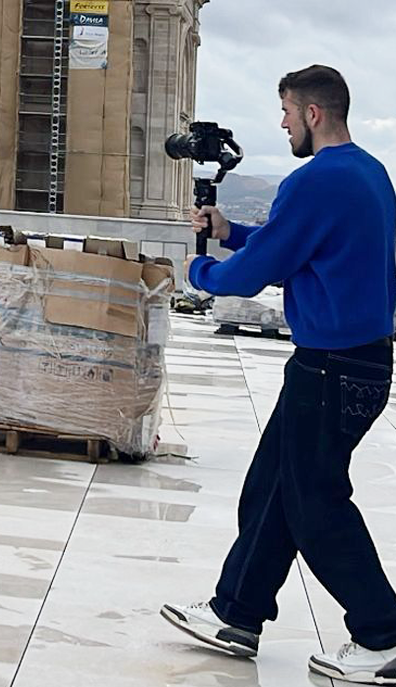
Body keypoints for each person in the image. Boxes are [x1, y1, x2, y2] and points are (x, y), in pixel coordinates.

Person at [161, 65, 396, 685]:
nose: (283, 122)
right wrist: (231, 231)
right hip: (355, 360)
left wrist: (201, 272)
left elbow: (253, 273)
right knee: (271, 487)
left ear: (313, 113)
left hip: (331, 368)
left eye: (287, 111)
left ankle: (383, 633)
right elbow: (299, 247)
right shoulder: (368, 173)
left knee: (315, 503)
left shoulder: (315, 180)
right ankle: (235, 614)